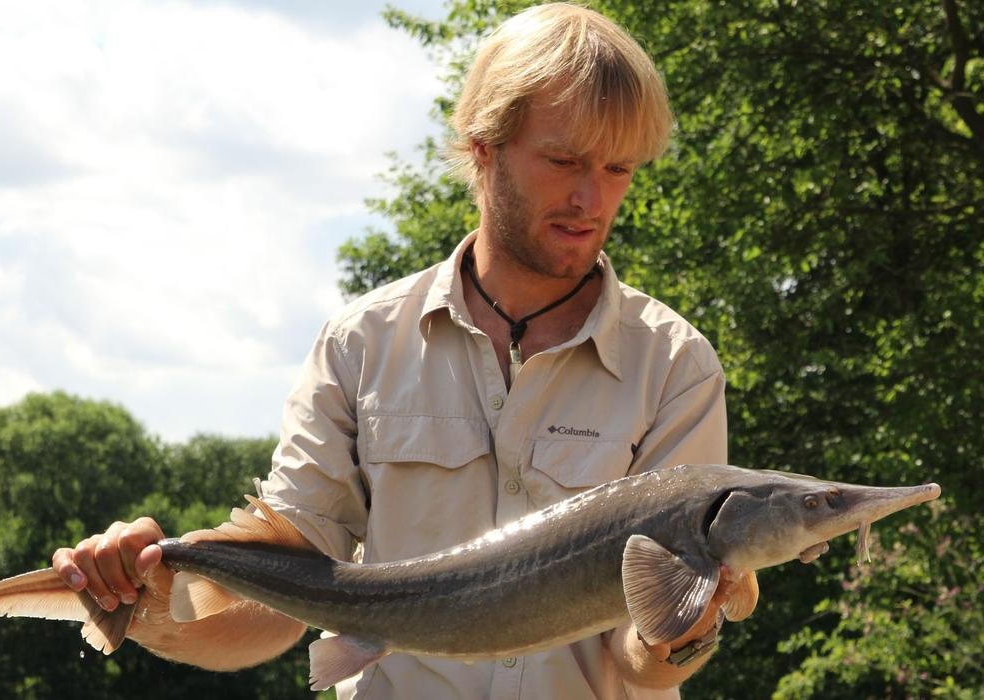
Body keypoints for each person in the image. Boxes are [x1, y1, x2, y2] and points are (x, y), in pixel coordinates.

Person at [52, 4, 754, 698]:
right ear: (484, 147)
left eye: (617, 169)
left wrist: (684, 625)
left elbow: (640, 661)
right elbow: (272, 615)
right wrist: (144, 592)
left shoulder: (675, 366)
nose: (589, 199)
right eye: (562, 160)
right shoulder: (359, 346)